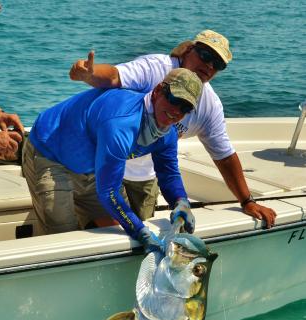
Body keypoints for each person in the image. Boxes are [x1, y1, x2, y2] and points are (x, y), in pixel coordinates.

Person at [70, 29, 276, 228]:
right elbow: (115, 76)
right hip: (104, 160)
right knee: (106, 229)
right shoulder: (155, 68)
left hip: (144, 175)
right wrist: (90, 74)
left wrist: (247, 201)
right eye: (205, 55)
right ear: (188, 50)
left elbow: (224, 156)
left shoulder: (209, 105)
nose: (209, 65)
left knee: (133, 237)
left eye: (218, 64)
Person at [22, 68, 202, 253]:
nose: (176, 111)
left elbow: (168, 173)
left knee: (113, 228)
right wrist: (140, 231)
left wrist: (181, 201)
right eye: (174, 100)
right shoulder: (121, 123)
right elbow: (108, 191)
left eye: (185, 108)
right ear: (157, 91)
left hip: (92, 167)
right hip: (50, 151)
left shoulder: (168, 134)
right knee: (63, 237)